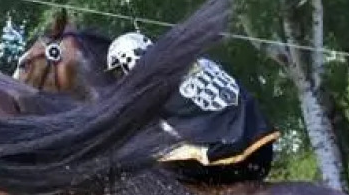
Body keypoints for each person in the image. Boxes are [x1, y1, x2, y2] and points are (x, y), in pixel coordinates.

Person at [105, 30, 279, 183]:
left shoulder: (153, 88)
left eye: (119, 71)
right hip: (263, 144)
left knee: (148, 164)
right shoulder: (198, 60)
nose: (121, 79)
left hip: (233, 157)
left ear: (130, 59)